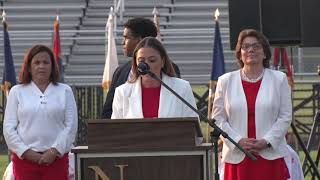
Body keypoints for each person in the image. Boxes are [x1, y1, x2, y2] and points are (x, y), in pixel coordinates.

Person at [211, 29, 292, 180]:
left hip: (270, 156)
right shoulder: (225, 81)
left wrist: (267, 141)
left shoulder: (279, 79)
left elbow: (285, 117)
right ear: (239, 53)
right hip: (237, 157)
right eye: (245, 46)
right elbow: (218, 119)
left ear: (265, 53)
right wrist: (237, 140)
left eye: (256, 46)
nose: (251, 49)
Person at [3, 45, 78, 180]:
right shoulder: (17, 91)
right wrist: (27, 152)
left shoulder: (65, 91)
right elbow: (8, 128)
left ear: (52, 66)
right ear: (29, 67)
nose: (41, 66)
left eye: (45, 62)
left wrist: (53, 152)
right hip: (25, 161)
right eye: (37, 62)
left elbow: (71, 126)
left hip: (57, 160)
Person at [102, 17, 181, 119]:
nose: (123, 42)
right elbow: (108, 112)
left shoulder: (171, 70)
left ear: (139, 40)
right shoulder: (120, 72)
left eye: (126, 38)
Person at [111, 37, 196, 119]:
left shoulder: (182, 88)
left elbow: (193, 127)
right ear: (136, 63)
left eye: (152, 60)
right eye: (141, 61)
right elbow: (116, 130)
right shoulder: (122, 92)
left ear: (162, 62)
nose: (146, 65)